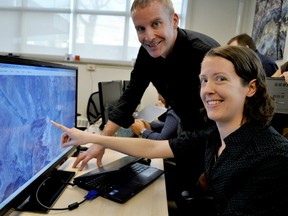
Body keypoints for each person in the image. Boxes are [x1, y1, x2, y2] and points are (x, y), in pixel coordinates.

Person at [52, 45, 288, 215]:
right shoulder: (216, 135)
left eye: (220, 79)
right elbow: (153, 146)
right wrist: (88, 137)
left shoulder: (272, 157)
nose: (207, 89)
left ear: (251, 88)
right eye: (204, 80)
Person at [72, 0, 220, 202]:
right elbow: (132, 94)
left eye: (156, 24)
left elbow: (233, 116)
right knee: (186, 191)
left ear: (174, 20)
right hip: (186, 128)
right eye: (140, 28)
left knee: (205, 194)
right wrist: (101, 142)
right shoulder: (148, 53)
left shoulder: (204, 53)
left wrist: (214, 162)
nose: (148, 37)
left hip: (217, 134)